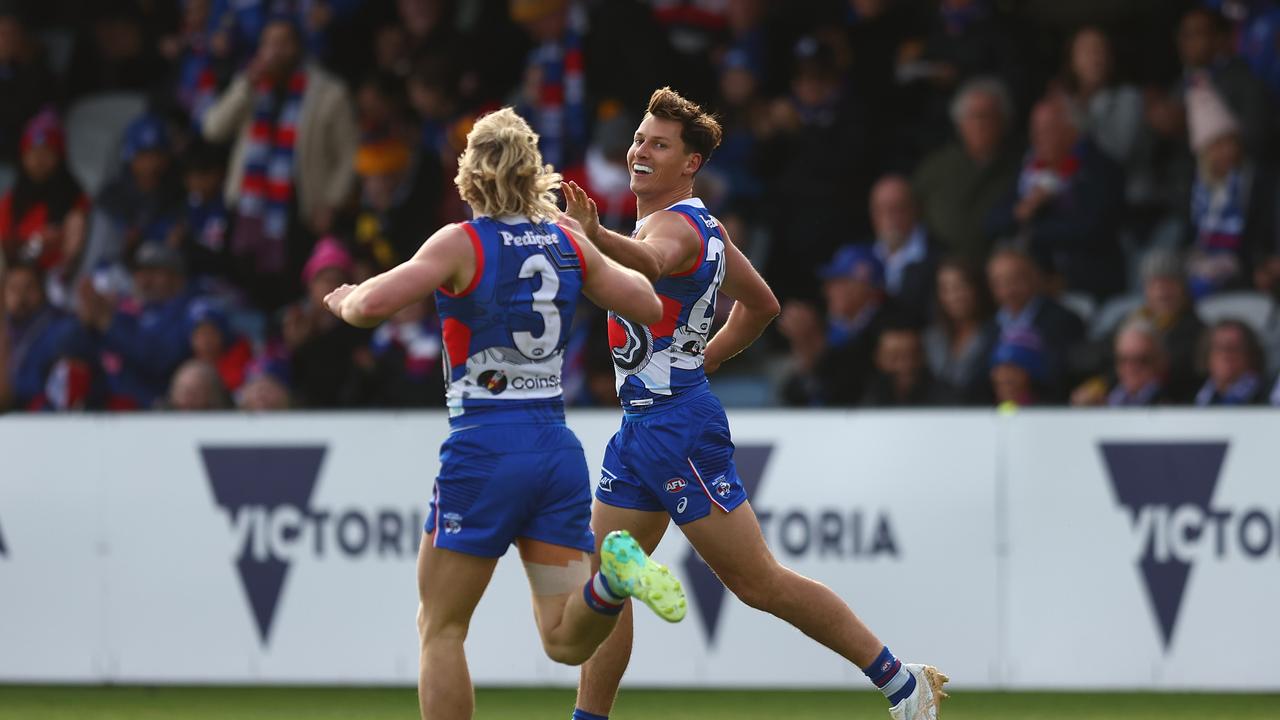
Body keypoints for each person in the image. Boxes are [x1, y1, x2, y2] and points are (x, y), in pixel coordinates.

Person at [561, 87, 946, 720]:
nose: (639, 152)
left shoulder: (674, 228)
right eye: (638, 139)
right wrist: (702, 358)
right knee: (607, 578)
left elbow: (653, 264)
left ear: (690, 163)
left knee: (757, 582)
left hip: (675, 427)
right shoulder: (702, 223)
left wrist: (595, 233)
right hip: (646, 423)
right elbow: (762, 303)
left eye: (658, 144)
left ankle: (903, 683)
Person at [321, 107, 682, 720]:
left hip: (485, 448)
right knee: (565, 639)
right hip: (555, 451)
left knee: (441, 628)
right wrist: (591, 246)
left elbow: (371, 307)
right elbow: (648, 303)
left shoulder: (461, 241)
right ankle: (613, 579)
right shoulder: (566, 241)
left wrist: (345, 297)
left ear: (470, 175)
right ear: (531, 171)